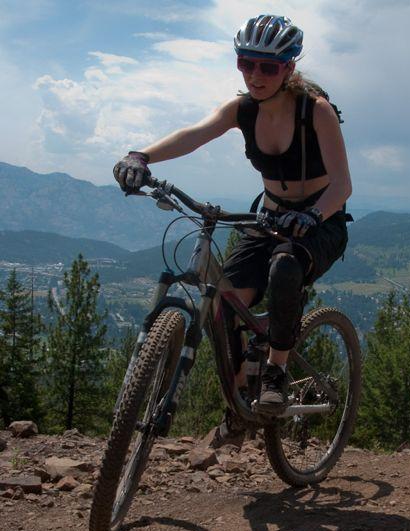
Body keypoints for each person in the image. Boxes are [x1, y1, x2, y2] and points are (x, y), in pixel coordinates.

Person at [113, 14, 352, 420]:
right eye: (246, 63)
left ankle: (276, 370)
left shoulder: (316, 112)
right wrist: (142, 156)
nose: (255, 75)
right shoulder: (242, 110)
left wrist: (312, 215)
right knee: (228, 304)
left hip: (320, 222)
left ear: (289, 68)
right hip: (270, 220)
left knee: (284, 270)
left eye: (268, 67)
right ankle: (241, 402)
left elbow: (342, 185)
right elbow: (195, 133)